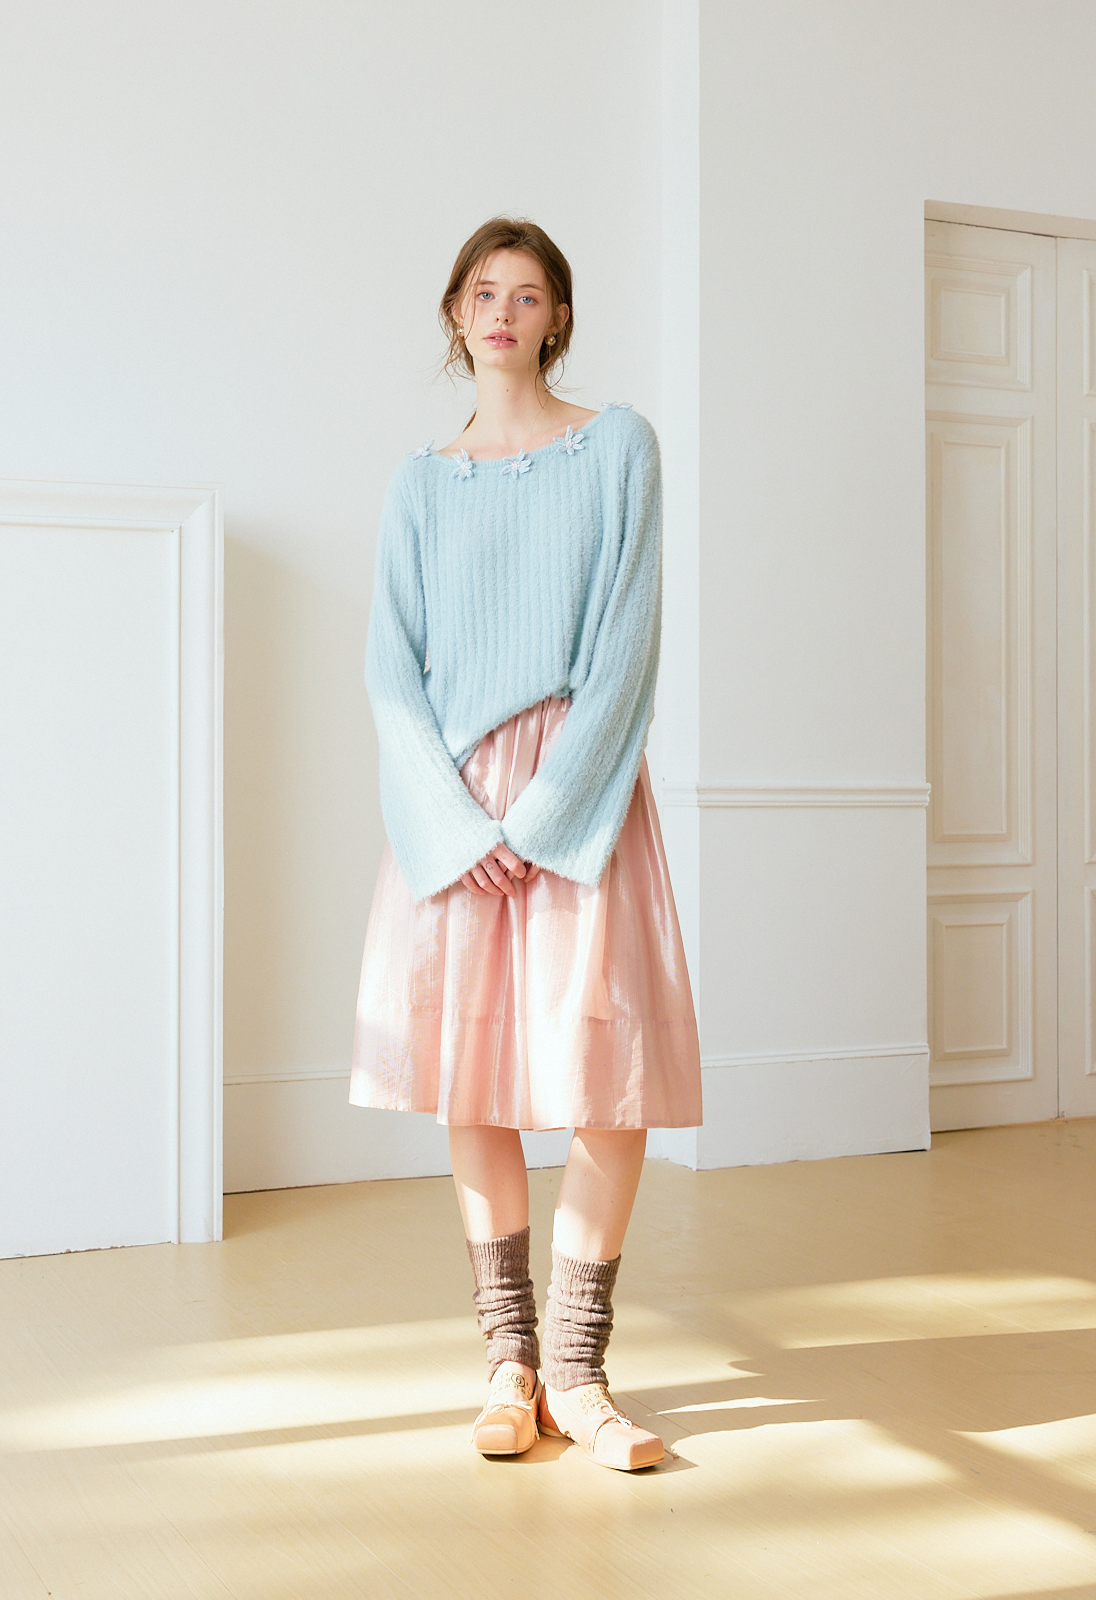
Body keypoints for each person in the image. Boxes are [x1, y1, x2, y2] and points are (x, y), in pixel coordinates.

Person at [350, 216, 702, 1471]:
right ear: (456, 313)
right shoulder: (418, 482)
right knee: (475, 1077)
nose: (503, 311)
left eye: (530, 293)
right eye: (483, 292)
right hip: (450, 810)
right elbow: (391, 672)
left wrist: (547, 816)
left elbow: (627, 648)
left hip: (580, 801)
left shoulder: (619, 448)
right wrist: (457, 828)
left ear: (559, 317)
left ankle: (580, 1370)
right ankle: (508, 1365)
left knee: (611, 1080)